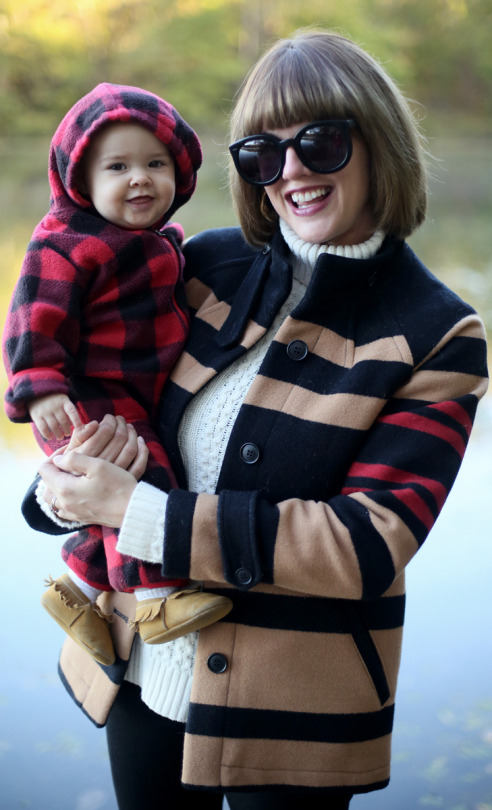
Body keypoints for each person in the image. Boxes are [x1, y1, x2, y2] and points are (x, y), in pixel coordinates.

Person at [22, 29, 488, 810]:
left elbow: (364, 545)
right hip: (140, 672)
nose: (293, 171)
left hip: (293, 712)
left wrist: (138, 513)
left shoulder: (437, 333)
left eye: (321, 142)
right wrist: (61, 485)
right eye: (262, 154)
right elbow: (96, 370)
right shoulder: (204, 266)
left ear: (379, 144)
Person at [2, 82, 231, 667]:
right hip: (82, 396)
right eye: (118, 166)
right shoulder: (67, 242)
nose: (140, 179)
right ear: (81, 180)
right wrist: (38, 385)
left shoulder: (163, 244)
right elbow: (32, 313)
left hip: (126, 392)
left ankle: (76, 593)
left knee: (123, 482)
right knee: (144, 472)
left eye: (156, 164)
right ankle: (156, 598)